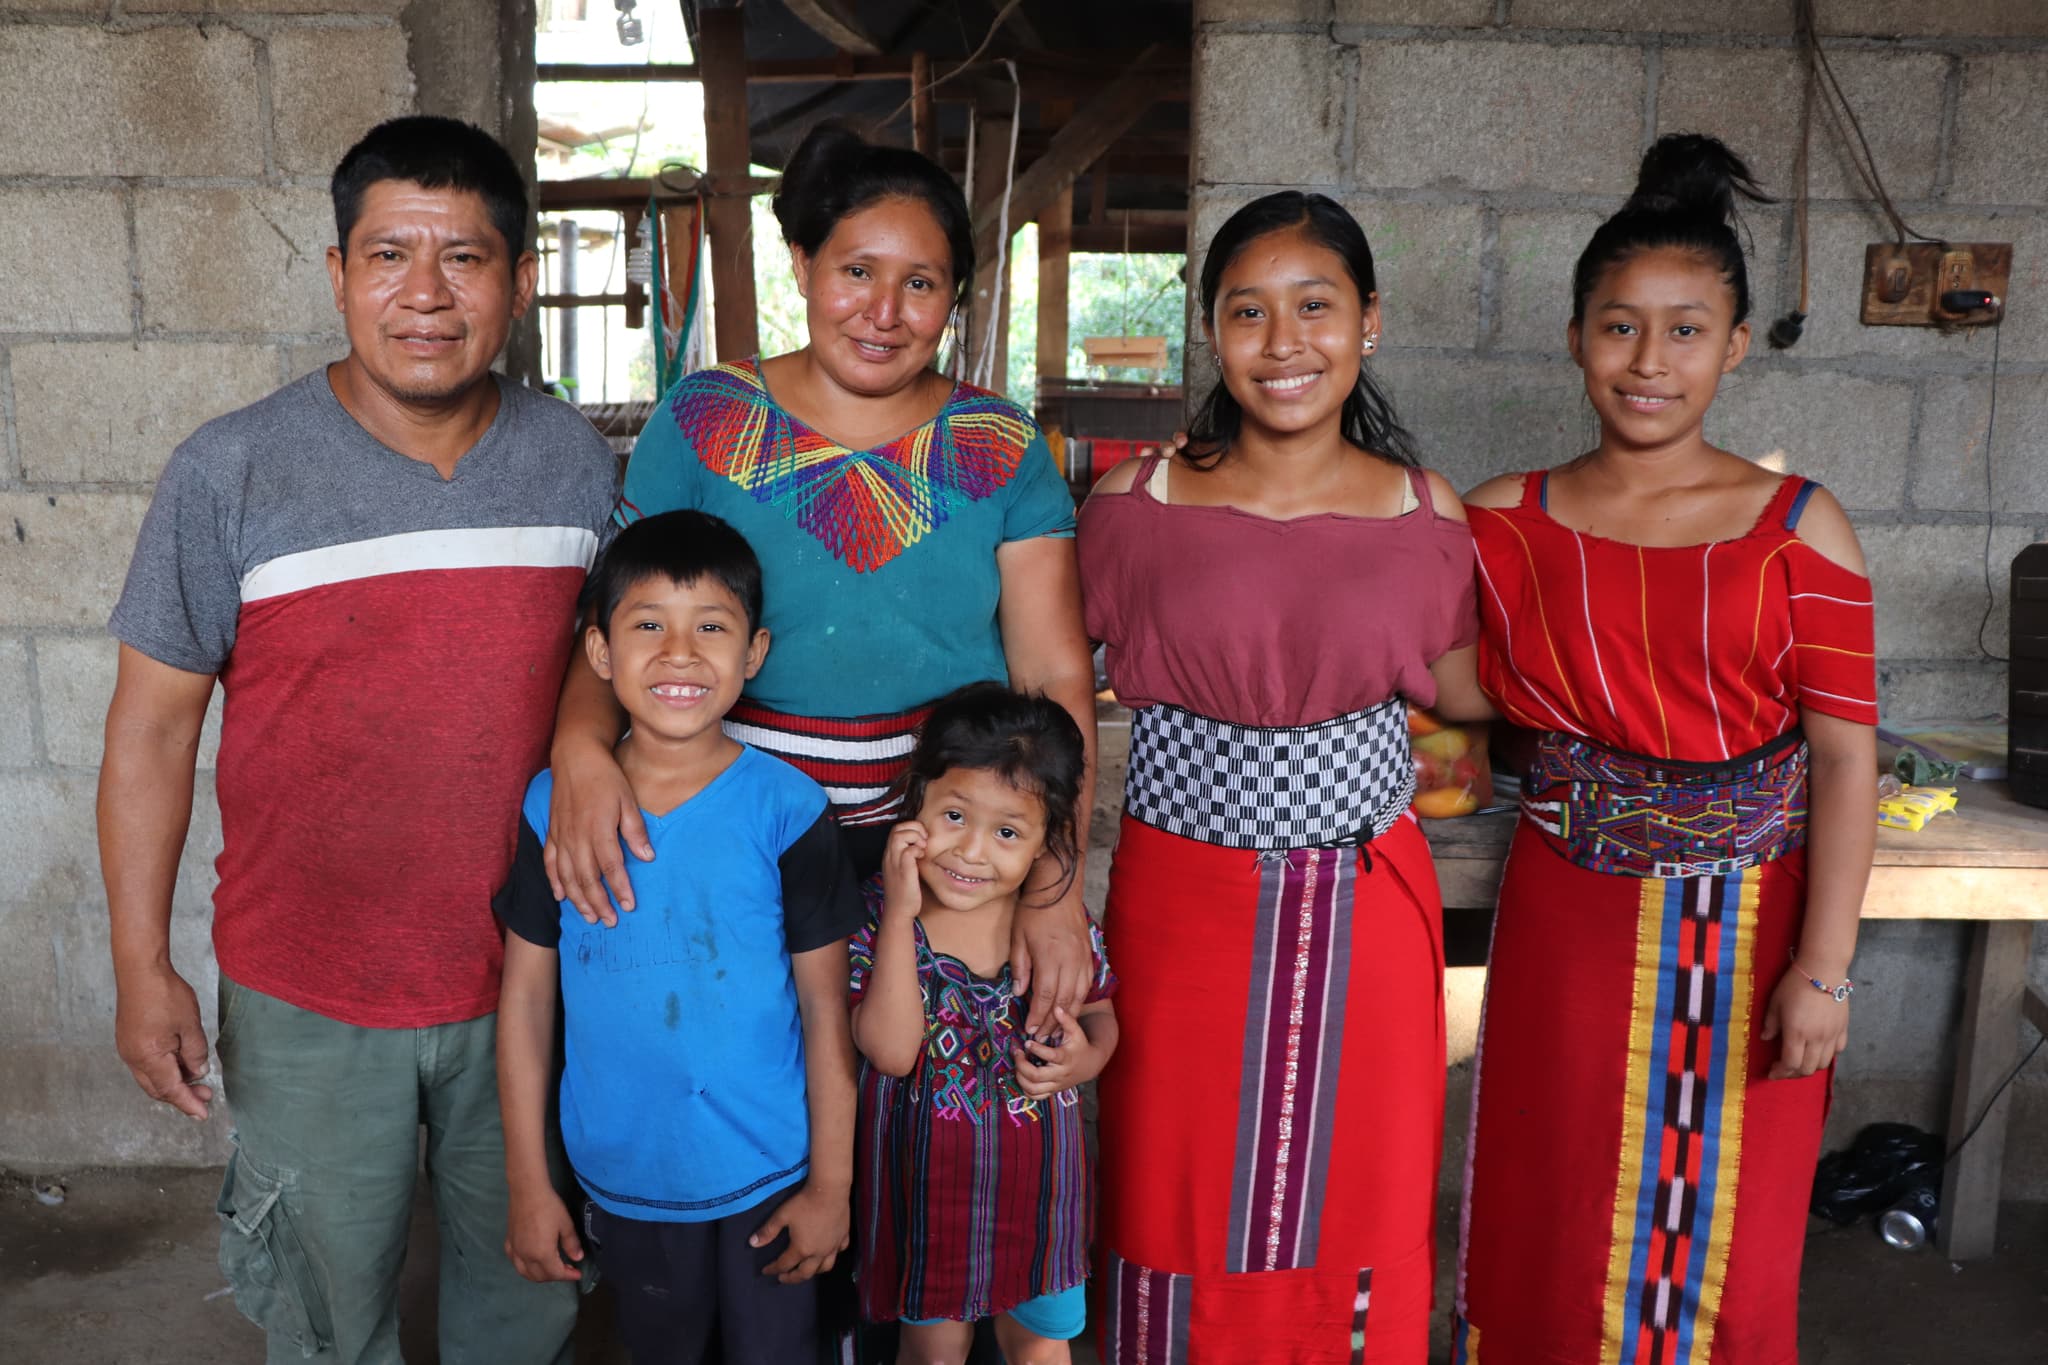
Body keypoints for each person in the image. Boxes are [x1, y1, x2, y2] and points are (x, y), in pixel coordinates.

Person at [98, 116, 616, 1363]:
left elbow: (614, 670)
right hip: (308, 987)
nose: (425, 297)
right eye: (388, 256)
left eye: (465, 259)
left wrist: (592, 753)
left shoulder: (573, 465)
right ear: (337, 274)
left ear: (521, 281)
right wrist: (139, 966)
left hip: (533, 978)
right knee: (327, 1308)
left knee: (530, 1288)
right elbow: (153, 734)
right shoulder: (230, 472)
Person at [1452, 135, 1878, 1364]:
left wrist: (1827, 970)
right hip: (1563, 910)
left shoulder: (1798, 530)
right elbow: (1433, 675)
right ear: (1576, 334)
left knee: (1719, 1235)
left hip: (1746, 925)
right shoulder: (1499, 521)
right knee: (1549, 1201)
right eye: (1618, 327)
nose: (1649, 362)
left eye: (1685, 330)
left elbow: (1842, 758)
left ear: (1734, 344)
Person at [544, 122, 1099, 1037]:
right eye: (856, 271)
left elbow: (1057, 673)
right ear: (802, 264)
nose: (884, 311)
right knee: (745, 1060)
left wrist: (1052, 884)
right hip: (730, 822)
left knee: (907, 1092)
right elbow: (618, 615)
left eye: (920, 284)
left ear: (955, 297)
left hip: (945, 849)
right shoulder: (708, 418)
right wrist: (578, 752)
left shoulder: (1000, 445)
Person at [1080, 192, 1490, 1364]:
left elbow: (1463, 702)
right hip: (1178, 903)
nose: (1282, 341)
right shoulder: (1131, 508)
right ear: (1209, 330)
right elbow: (1056, 686)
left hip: (1364, 908)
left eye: (1315, 307)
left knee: (1359, 1175)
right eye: (1246, 312)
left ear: (1367, 322)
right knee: (1173, 1171)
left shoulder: (1425, 514)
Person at [493, 510, 863, 1364]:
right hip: (627, 1177)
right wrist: (528, 1180)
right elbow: (525, 1002)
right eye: (648, 625)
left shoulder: (789, 809)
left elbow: (823, 1013)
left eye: (712, 628)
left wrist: (833, 1187)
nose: (681, 654)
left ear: (755, 653)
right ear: (599, 654)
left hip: (772, 1177)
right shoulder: (551, 808)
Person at [848, 683, 1119, 1365]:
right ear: (917, 801)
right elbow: (890, 1049)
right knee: (934, 1349)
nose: (971, 851)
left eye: (1006, 832)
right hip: (926, 1198)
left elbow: (1102, 1016)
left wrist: (1087, 1058)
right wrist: (901, 919)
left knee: (1039, 1345)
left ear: (1045, 842)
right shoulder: (881, 914)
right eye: (954, 815)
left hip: (1041, 1194)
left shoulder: (1057, 930)